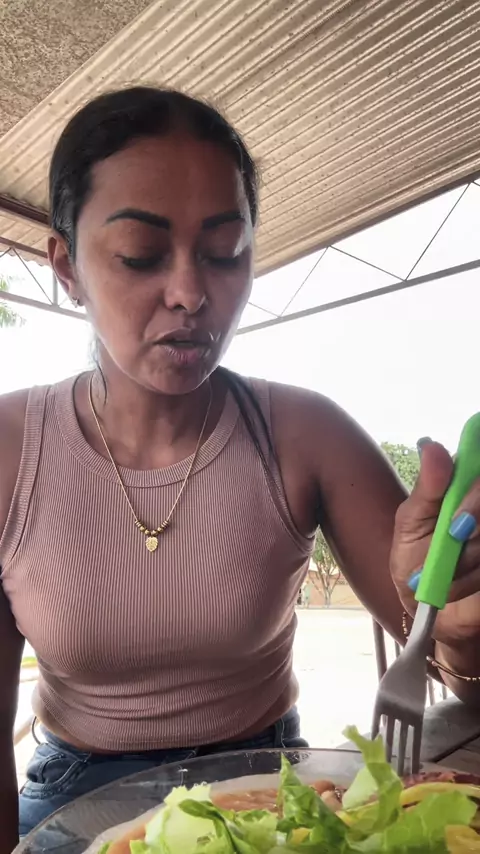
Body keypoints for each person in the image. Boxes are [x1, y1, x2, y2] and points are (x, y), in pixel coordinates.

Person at [1, 86, 480, 850]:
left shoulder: (305, 434)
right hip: (78, 799)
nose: (191, 293)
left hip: (263, 787)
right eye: (141, 254)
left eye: (225, 252)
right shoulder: (11, 451)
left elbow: (449, 665)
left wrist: (455, 627)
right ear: (67, 266)